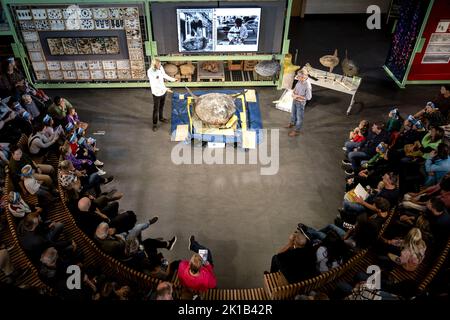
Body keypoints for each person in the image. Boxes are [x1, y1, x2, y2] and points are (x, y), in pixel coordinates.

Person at [147, 58, 178, 132]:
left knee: (162, 106)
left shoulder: (160, 67)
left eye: (160, 64)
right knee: (156, 109)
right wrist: (166, 89)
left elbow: (164, 75)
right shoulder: (150, 72)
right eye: (159, 65)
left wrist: (173, 79)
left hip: (163, 91)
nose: (160, 66)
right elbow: (155, 84)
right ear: (154, 65)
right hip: (157, 93)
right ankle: (154, 124)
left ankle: (161, 118)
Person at [285, 68, 312, 137]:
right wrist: (293, 92)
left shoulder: (307, 86)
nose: (299, 79)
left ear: (306, 76)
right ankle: (292, 123)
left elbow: (308, 97)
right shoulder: (299, 81)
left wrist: (297, 96)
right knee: (293, 113)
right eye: (298, 77)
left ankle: (296, 131)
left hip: (300, 103)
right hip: (295, 100)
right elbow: (296, 88)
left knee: (299, 118)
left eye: (301, 77)